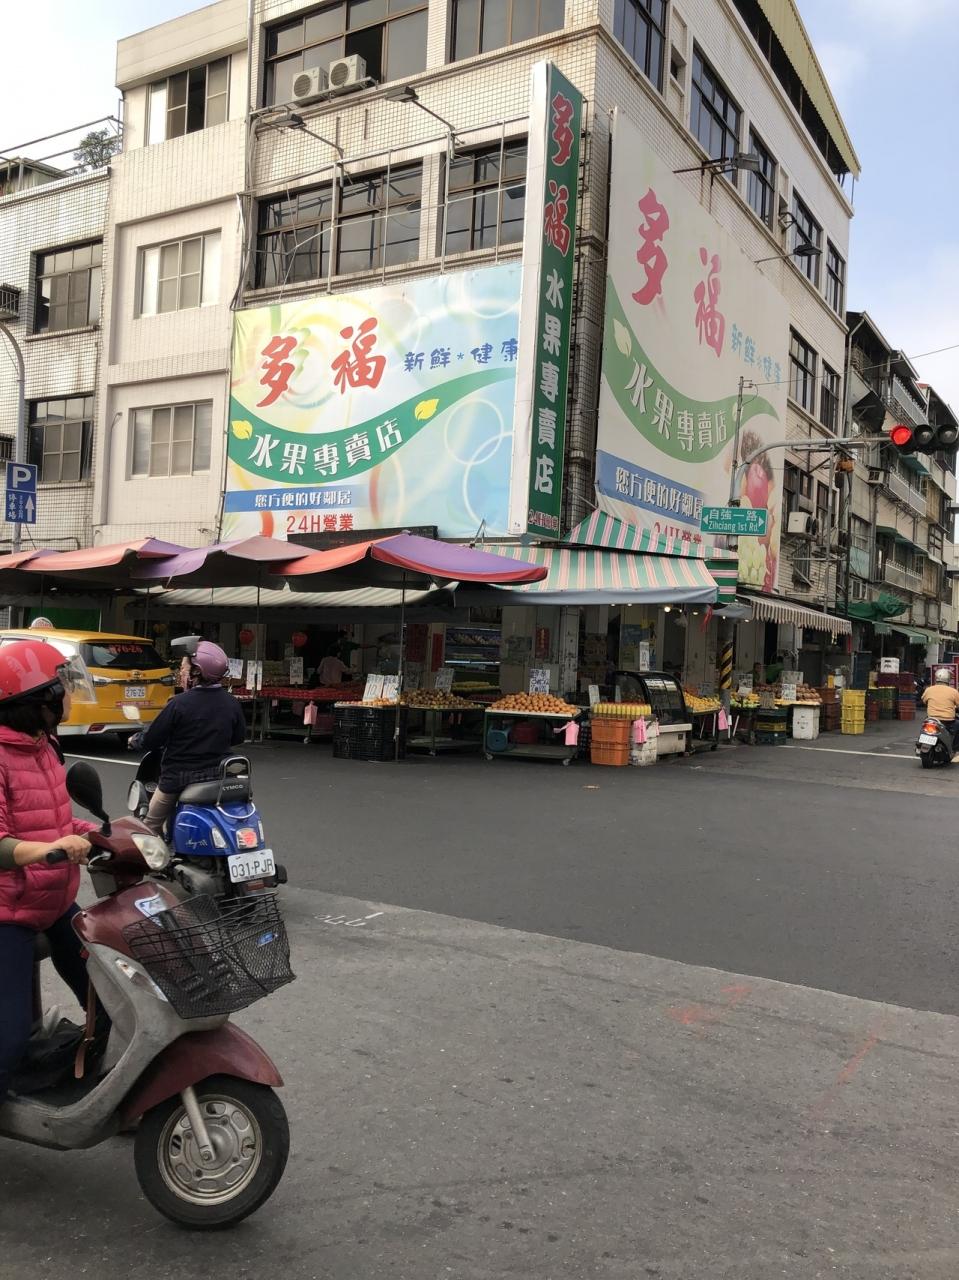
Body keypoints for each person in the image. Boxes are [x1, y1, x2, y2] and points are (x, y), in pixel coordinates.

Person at [0, 640, 99, 1098]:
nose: (67, 698)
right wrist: (51, 849)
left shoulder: (45, 744)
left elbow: (55, 821)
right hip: (9, 912)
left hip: (54, 901)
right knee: (8, 1042)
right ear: (36, 702)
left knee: (109, 999)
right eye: (59, 690)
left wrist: (103, 833)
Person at [134, 640, 246, 837]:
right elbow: (238, 738)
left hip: (178, 778)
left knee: (148, 827)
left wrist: (137, 740)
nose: (181, 671)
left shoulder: (179, 703)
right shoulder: (232, 703)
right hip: (218, 776)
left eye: (184, 667)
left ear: (197, 671)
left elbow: (152, 739)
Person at [921, 668, 959, 752]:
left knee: (923, 727)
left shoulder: (929, 689)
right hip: (947, 720)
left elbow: (924, 701)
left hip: (931, 719)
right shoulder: (953, 691)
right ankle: (955, 748)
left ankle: (920, 743)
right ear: (948, 679)